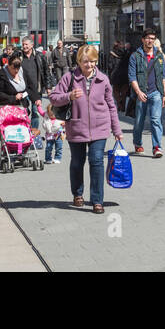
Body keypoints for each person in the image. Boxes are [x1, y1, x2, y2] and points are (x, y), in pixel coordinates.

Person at [49, 44, 122, 214]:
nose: (89, 65)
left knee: (96, 161)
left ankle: (97, 200)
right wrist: (69, 96)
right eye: (85, 62)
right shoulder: (69, 78)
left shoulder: (103, 79)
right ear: (79, 61)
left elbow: (111, 105)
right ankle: (77, 193)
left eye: (92, 61)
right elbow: (53, 98)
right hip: (76, 126)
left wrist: (117, 130)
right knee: (77, 162)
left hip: (100, 127)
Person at [128, 29, 165, 157]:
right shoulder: (135, 56)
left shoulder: (159, 56)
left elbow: (162, 76)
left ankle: (157, 147)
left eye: (152, 38)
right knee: (139, 121)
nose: (150, 40)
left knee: (155, 120)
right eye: (148, 38)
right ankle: (138, 143)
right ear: (143, 39)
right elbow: (132, 77)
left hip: (156, 92)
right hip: (142, 92)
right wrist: (138, 92)